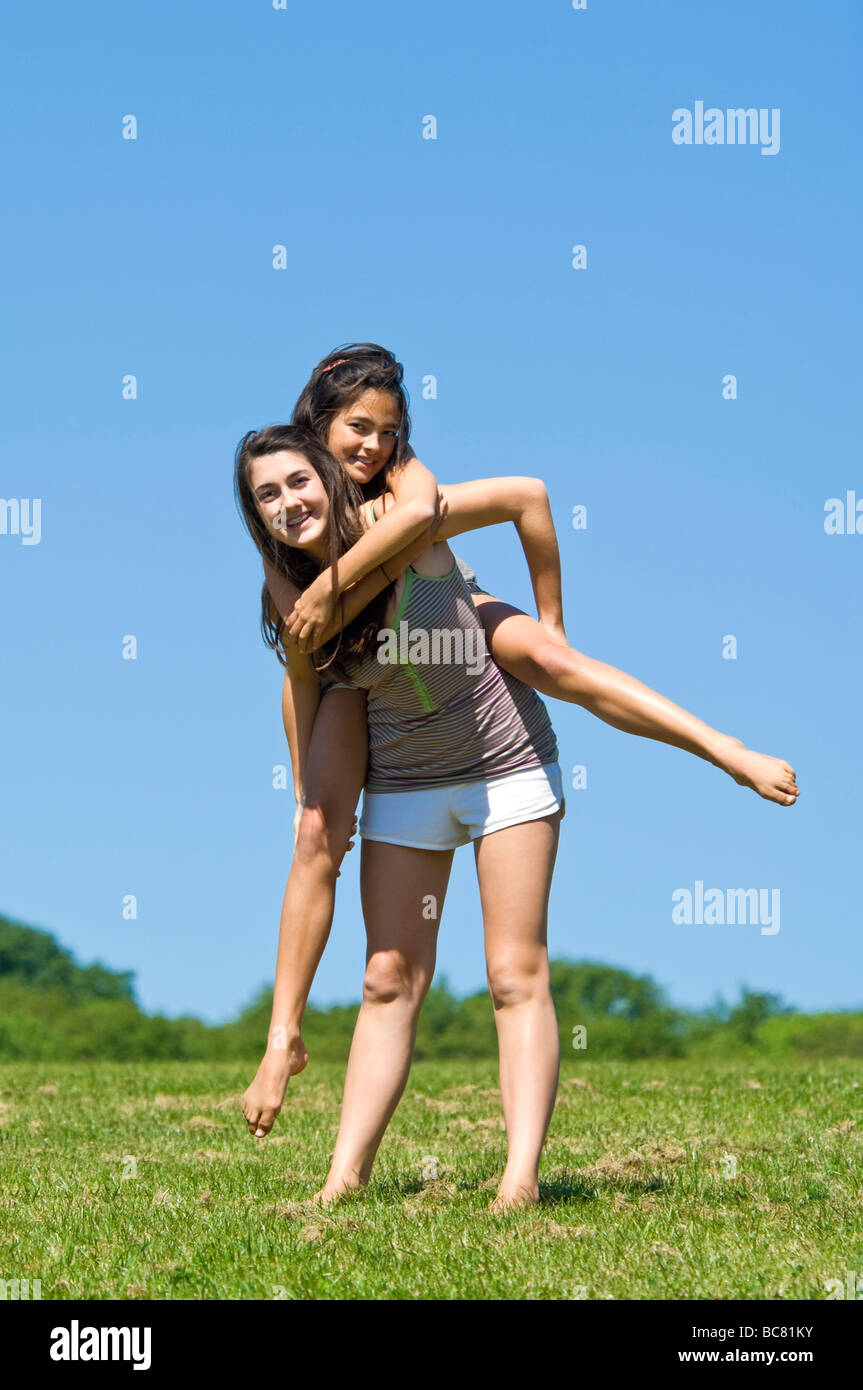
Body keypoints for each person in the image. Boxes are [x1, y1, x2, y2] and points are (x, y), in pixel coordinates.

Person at [236, 345, 799, 1156]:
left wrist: (551, 615)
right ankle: (326, 1142)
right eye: (270, 494)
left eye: (384, 433)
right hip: (406, 770)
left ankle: (722, 746)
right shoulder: (284, 571)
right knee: (375, 958)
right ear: (314, 435)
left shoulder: (410, 507)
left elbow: (525, 496)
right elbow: (300, 676)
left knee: (546, 666)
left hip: (501, 751)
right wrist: (304, 791)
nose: (368, 446)